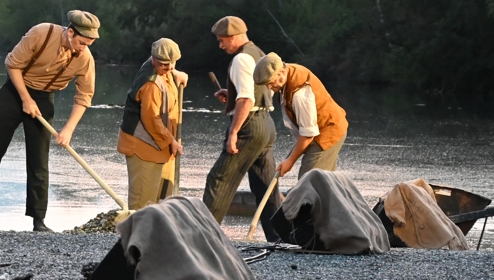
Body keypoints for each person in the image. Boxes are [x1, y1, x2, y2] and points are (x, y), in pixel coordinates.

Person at [0, 10, 101, 232]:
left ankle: (38, 220)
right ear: (70, 32)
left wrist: (69, 129)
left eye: (89, 44)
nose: (84, 48)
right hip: (15, 91)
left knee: (39, 161)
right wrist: (25, 99)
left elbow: (84, 96)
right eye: (82, 42)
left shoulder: (85, 58)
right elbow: (12, 64)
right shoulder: (41, 33)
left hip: (44, 99)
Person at [202, 16, 281, 241]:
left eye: (222, 40)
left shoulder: (240, 59)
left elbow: (246, 100)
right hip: (267, 124)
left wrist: (234, 133)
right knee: (266, 188)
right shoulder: (258, 53)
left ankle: (203, 238)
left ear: (235, 36)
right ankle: (279, 239)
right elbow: (263, 93)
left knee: (219, 179)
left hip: (250, 127)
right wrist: (232, 96)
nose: (220, 45)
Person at [117, 38, 188, 210]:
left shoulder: (164, 69)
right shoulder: (151, 84)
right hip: (143, 146)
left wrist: (177, 73)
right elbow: (152, 120)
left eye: (173, 63)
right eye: (165, 64)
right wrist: (171, 141)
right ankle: (137, 235)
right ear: (154, 59)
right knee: (143, 201)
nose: (169, 68)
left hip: (161, 146)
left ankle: (156, 235)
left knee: (163, 200)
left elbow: (170, 69)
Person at [253, 52, 348, 178]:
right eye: (266, 84)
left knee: (308, 181)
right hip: (316, 132)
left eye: (270, 83)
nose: (269, 87)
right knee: (320, 184)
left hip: (328, 132)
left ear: (281, 72)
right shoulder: (286, 72)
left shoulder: (300, 93)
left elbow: (308, 134)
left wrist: (290, 161)